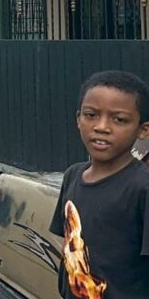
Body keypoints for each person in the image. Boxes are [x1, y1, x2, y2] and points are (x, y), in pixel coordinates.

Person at [49, 71, 149, 298]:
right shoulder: (72, 176)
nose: (102, 127)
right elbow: (68, 247)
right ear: (78, 119)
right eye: (91, 115)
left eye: (119, 119)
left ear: (143, 129)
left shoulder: (141, 189)